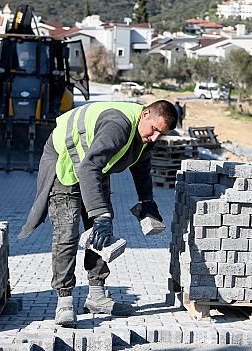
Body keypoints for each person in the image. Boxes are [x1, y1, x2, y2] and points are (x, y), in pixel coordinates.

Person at [18, 100, 178, 327]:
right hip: (65, 162)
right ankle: (64, 301)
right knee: (67, 234)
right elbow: (87, 166)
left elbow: (141, 168)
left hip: (93, 166)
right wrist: (100, 214)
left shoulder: (146, 136)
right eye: (154, 130)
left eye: (160, 134)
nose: (154, 138)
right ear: (145, 114)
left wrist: (147, 201)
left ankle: (96, 296)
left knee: (103, 233)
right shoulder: (118, 126)